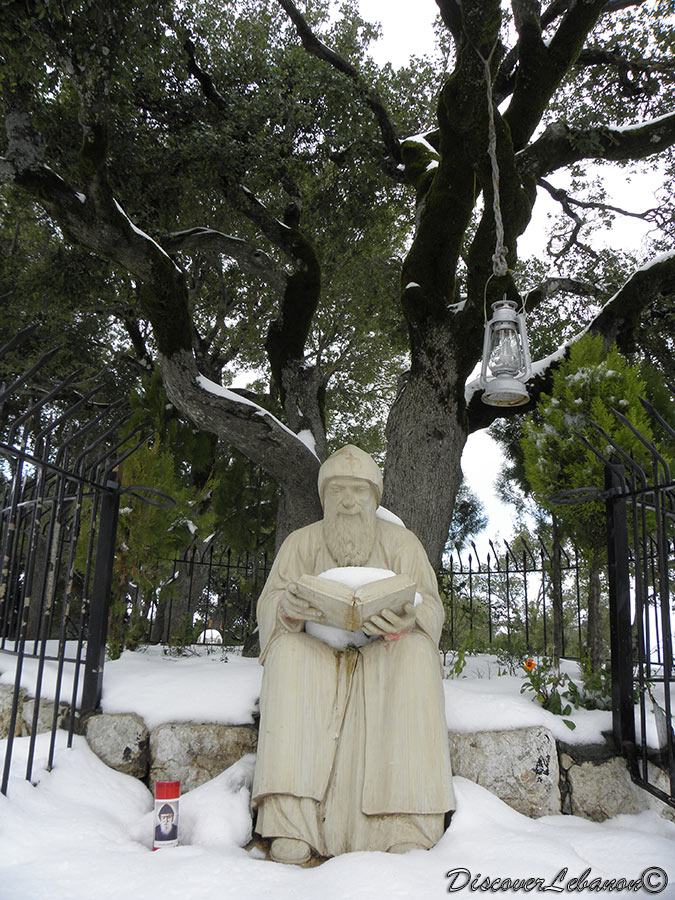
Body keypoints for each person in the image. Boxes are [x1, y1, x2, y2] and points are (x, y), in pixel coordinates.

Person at [252, 445, 454, 864]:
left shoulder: (402, 543)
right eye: (338, 491)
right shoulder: (300, 543)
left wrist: (410, 618)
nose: (347, 501)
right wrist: (288, 610)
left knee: (416, 654)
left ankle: (406, 820)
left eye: (358, 491)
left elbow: (431, 606)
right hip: (317, 649)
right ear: (324, 497)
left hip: (386, 650)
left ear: (374, 498)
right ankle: (291, 822)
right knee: (287, 656)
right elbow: (270, 602)